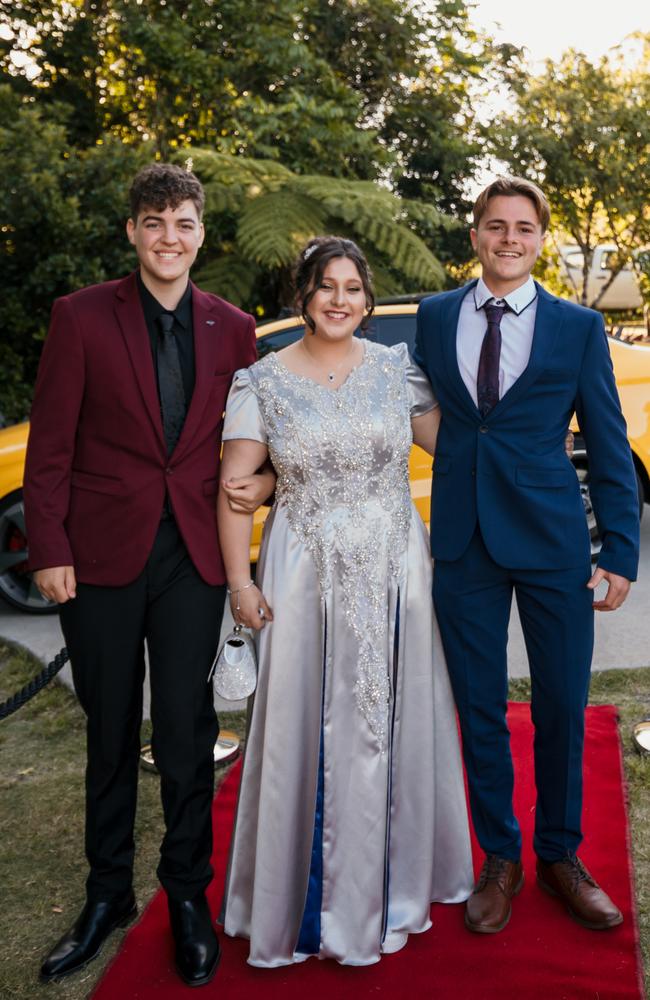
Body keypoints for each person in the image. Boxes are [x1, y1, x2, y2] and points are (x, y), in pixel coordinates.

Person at [23, 163, 273, 986]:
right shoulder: (81, 316)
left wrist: (265, 483)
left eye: (185, 223)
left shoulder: (233, 327)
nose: (171, 237)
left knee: (186, 730)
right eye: (155, 222)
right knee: (108, 729)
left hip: (196, 556)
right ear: (132, 231)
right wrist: (50, 546)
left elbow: (259, 441)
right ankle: (106, 894)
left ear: (203, 233)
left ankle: (186, 893)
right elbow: (50, 445)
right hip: (97, 555)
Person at [216, 236, 474, 967]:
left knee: (398, 719)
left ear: (367, 298)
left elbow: (457, 449)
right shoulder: (260, 382)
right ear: (303, 296)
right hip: (303, 573)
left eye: (353, 288)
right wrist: (241, 583)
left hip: (397, 569)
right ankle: (304, 904)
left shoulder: (398, 373)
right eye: (326, 286)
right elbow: (235, 492)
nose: (340, 299)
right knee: (306, 728)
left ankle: (397, 885)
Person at [414, 176, 640, 935]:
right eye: (495, 226)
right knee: (478, 710)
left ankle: (561, 857)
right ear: (474, 235)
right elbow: (398, 412)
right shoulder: (437, 315)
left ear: (539, 240)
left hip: (552, 544)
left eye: (523, 228)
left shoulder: (576, 327)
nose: (509, 239)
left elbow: (608, 441)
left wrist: (621, 551)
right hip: (464, 542)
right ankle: (500, 857)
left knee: (561, 709)